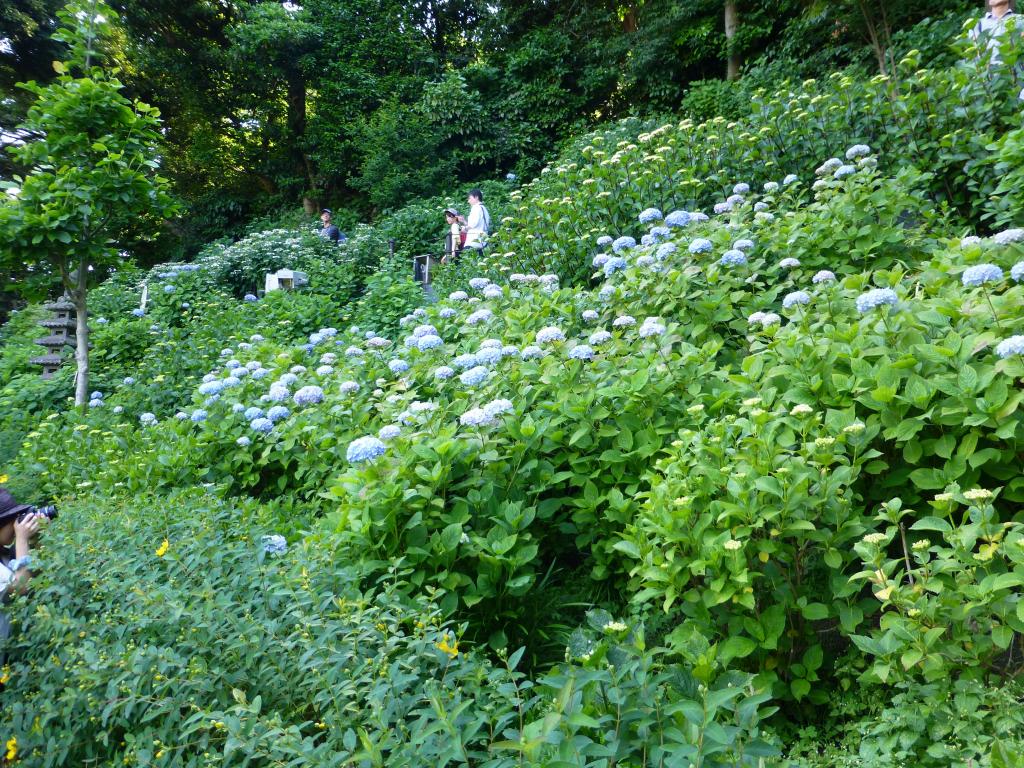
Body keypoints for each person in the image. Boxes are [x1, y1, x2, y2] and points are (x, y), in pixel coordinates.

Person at [0, 489, 45, 649]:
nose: (15, 525)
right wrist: (21, 539)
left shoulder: (4, 555)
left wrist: (35, 541)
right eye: (11, 520)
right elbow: (22, 587)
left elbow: (37, 581)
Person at [970, 0, 1017, 65]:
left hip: (1017, 73)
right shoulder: (976, 25)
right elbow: (975, 58)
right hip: (989, 73)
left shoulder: (1021, 20)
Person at [461, 189, 491, 254]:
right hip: (483, 242)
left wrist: (464, 228)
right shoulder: (484, 209)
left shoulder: (476, 208)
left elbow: (473, 224)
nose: (468, 201)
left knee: (468, 260)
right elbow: (478, 224)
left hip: (473, 241)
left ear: (476, 197)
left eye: (470, 198)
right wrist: (464, 221)